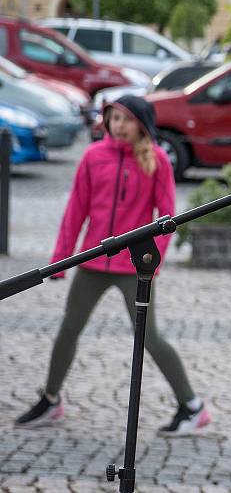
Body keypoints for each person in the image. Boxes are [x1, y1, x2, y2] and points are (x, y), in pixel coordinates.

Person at [14, 95, 211, 436]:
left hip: (134, 267)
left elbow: (167, 219)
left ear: (142, 125)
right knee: (69, 327)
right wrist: (60, 260)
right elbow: (75, 211)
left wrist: (152, 262)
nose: (119, 125)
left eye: (126, 119)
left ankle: (192, 406)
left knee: (150, 337)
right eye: (113, 118)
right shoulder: (92, 157)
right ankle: (50, 399)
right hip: (93, 260)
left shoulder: (158, 161)